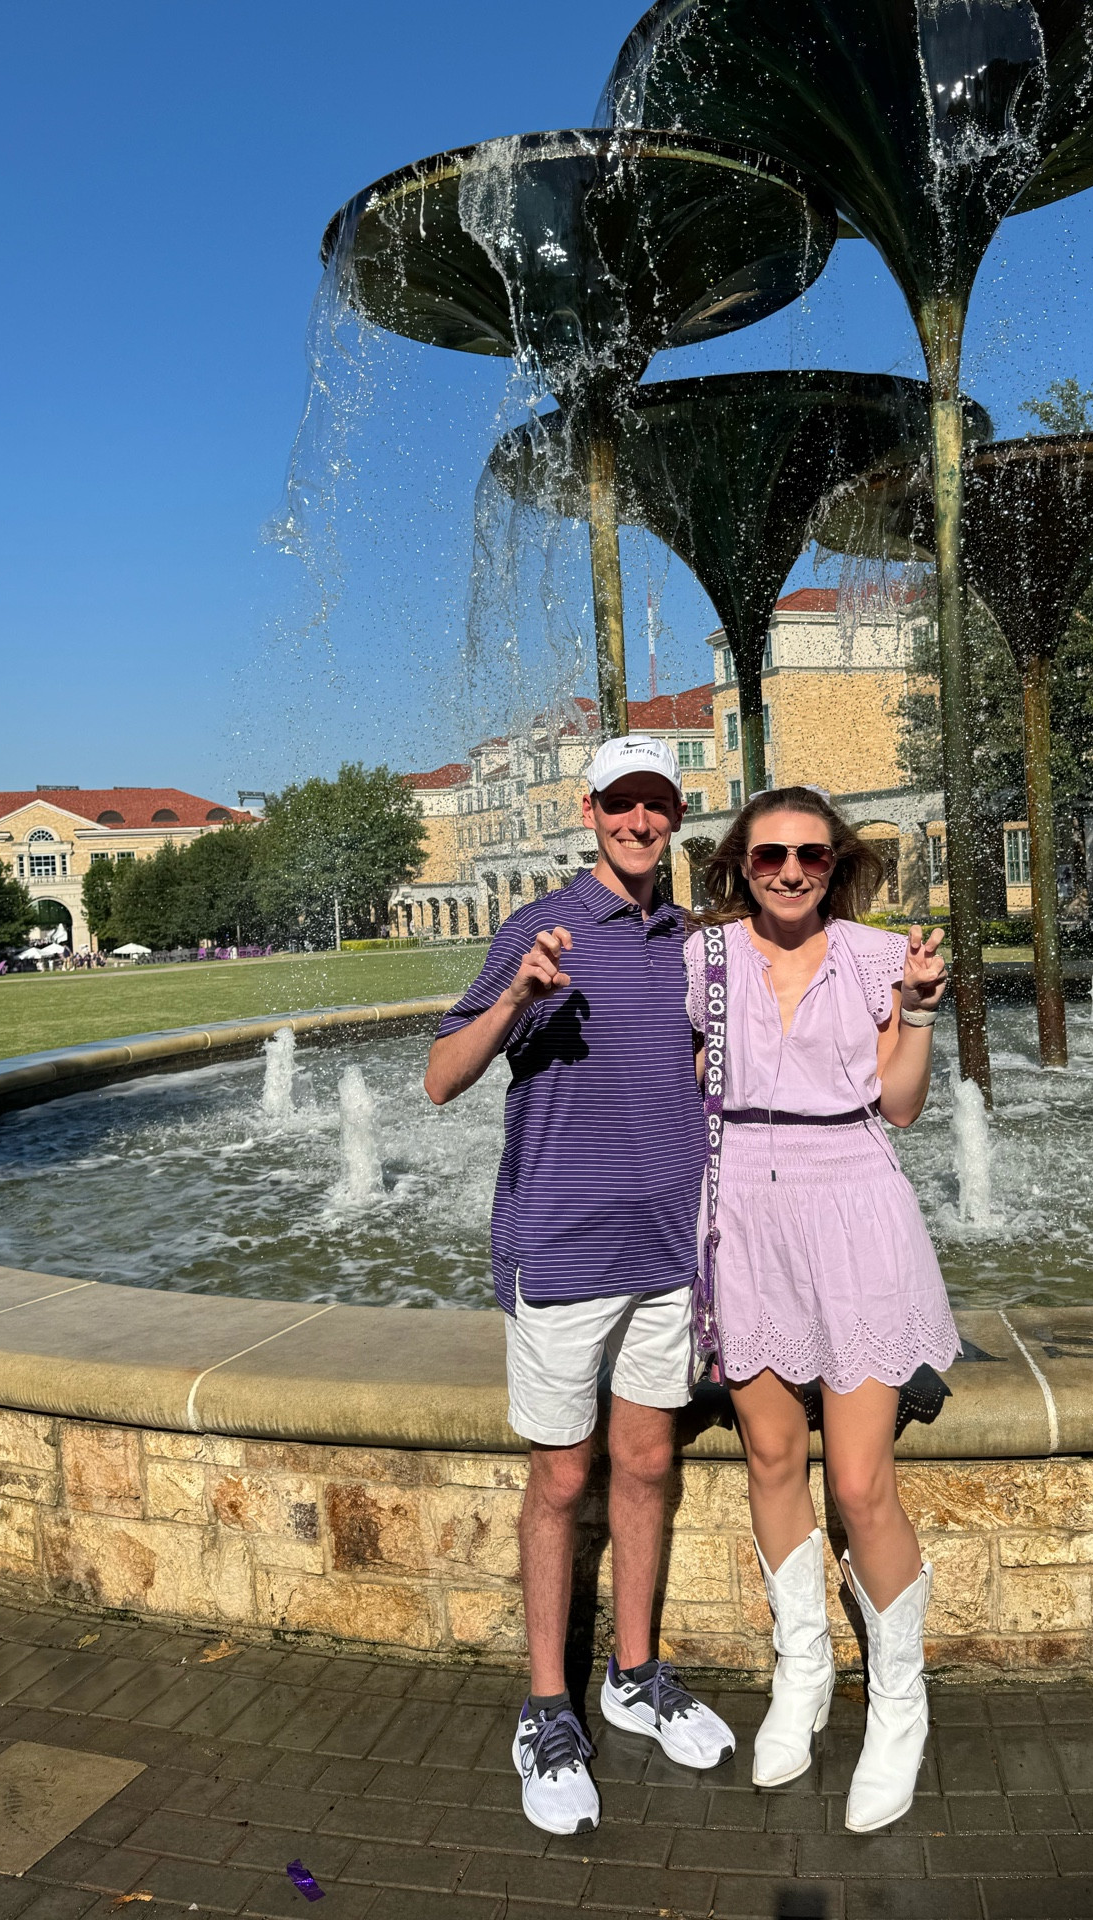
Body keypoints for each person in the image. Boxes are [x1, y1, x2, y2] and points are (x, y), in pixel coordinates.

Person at [424, 735, 735, 1837]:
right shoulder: (539, 924)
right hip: (561, 1248)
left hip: (664, 1249)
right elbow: (439, 1077)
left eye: (659, 804)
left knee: (646, 1460)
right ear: (590, 808)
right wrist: (519, 993)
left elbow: (694, 1069)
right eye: (622, 803)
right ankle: (546, 1704)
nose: (641, 821)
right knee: (562, 1478)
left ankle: (633, 1673)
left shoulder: (691, 939)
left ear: (676, 815)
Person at [684, 785, 957, 1834]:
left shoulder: (880, 956)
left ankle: (899, 1697)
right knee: (767, 1453)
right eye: (768, 857)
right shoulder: (702, 959)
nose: (789, 870)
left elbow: (900, 1103)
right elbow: (664, 1068)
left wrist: (922, 1006)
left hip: (853, 1201)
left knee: (858, 1477)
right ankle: (802, 1665)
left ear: (835, 862)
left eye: (808, 853)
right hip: (741, 1207)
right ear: (737, 867)